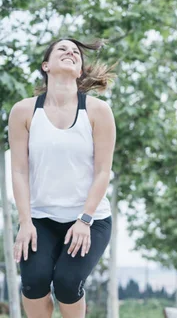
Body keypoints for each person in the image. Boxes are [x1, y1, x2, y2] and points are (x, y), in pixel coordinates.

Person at [8, 38, 116, 318]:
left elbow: (103, 171)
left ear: (79, 70)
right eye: (62, 49)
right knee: (33, 283)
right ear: (46, 66)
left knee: (67, 284)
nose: (70, 52)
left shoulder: (98, 111)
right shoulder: (24, 111)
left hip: (90, 220)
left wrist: (85, 219)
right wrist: (24, 222)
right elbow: (19, 170)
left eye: (75, 52)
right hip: (40, 218)